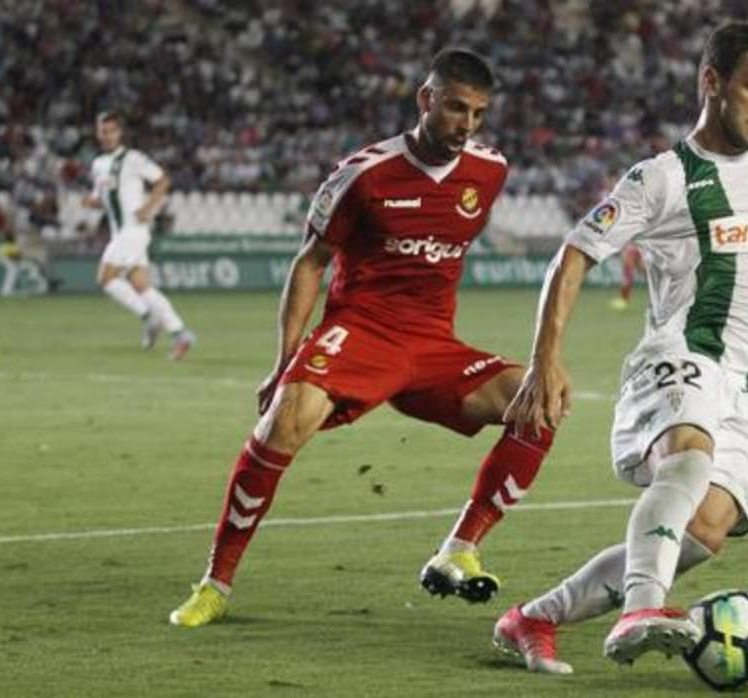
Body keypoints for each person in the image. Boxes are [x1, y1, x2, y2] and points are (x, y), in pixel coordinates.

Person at [169, 49, 557, 627]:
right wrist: (286, 361)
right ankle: (216, 583)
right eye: (455, 109)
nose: (466, 125)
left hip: (431, 345)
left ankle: (460, 549)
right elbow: (310, 263)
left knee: (541, 402)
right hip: (361, 333)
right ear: (426, 100)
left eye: (478, 113)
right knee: (284, 418)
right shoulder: (364, 175)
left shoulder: (490, 170)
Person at [494, 22, 748, 672]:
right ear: (711, 82)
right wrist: (546, 359)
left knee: (704, 531)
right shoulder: (662, 178)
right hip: (679, 354)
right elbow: (572, 255)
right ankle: (642, 608)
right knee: (686, 460)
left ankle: (534, 618)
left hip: (745, 385)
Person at [83, 111, 195, 359]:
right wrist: (91, 203)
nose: (107, 135)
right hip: (120, 232)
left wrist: (149, 207)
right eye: (103, 130)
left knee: (106, 278)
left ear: (120, 133)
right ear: (97, 133)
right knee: (142, 286)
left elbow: (162, 180)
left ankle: (149, 316)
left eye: (112, 130)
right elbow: (105, 198)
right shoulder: (99, 164)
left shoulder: (133, 159)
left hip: (132, 230)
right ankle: (180, 333)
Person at [609, 244, 645, 311]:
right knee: (627, 284)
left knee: (626, 284)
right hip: (629, 267)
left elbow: (633, 261)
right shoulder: (631, 248)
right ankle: (624, 301)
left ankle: (624, 301)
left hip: (629, 267)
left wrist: (636, 267)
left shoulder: (631, 249)